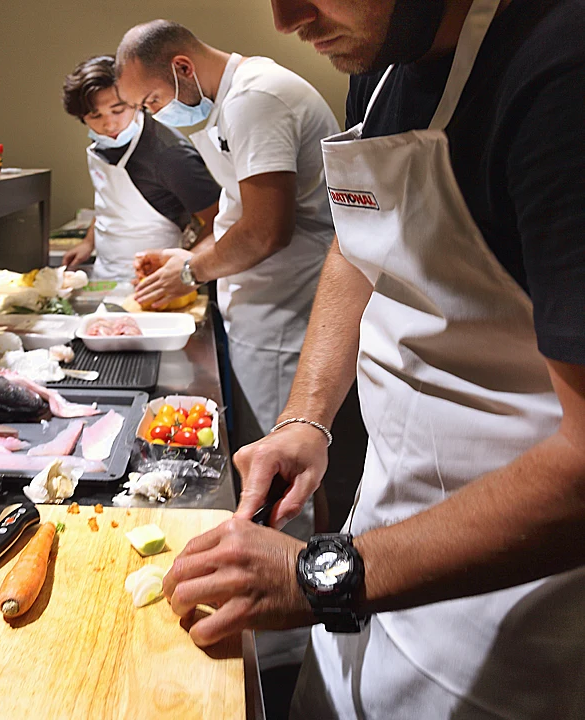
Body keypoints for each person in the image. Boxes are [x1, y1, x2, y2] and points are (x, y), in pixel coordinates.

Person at [161, 0, 585, 717]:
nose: (286, 18)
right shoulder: (382, 60)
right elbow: (356, 244)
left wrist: (320, 577)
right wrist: (305, 419)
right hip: (373, 546)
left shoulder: (559, 75)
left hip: (502, 618)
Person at [114, 21, 339, 670]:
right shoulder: (228, 104)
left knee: (281, 484)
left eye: (150, 102)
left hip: (286, 314)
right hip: (258, 311)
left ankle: (287, 646)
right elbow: (235, 211)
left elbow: (265, 230)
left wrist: (189, 270)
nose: (152, 118)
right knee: (280, 476)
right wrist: (188, 255)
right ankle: (294, 616)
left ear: (182, 68)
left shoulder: (256, 99)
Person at [60, 55, 220, 281]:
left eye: (118, 110)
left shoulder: (170, 154)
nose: (109, 125)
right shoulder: (102, 144)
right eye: (95, 116)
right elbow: (108, 202)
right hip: (104, 274)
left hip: (153, 278)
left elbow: (219, 220)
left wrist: (184, 270)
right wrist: (88, 242)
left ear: (136, 102)